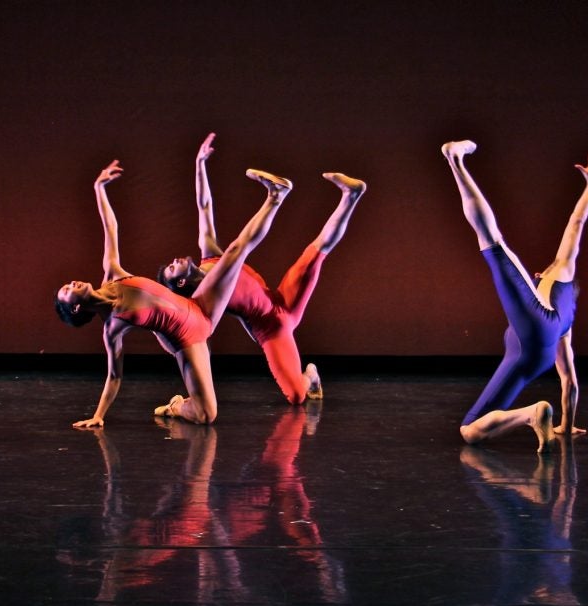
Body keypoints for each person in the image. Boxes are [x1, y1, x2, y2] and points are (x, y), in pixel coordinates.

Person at [55, 153, 290, 427]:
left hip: (200, 307)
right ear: (75, 308)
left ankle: (276, 196)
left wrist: (99, 189)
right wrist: (99, 416)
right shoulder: (112, 327)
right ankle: (177, 407)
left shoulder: (113, 274)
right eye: (67, 290)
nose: (72, 282)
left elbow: (111, 226)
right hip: (186, 340)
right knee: (206, 416)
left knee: (235, 253)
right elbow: (115, 376)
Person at [158, 133, 366, 403]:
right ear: (181, 284)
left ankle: (352, 194)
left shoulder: (209, 256)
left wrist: (199, 165)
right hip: (272, 329)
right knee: (296, 397)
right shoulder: (207, 293)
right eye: (171, 270)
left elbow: (204, 206)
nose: (174, 261)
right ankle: (310, 376)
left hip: (281, 298)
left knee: (318, 251)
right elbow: (199, 343)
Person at [441, 140, 588, 451]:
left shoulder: (558, 271)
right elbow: (570, 382)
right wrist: (566, 425)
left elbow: (576, 223)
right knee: (470, 430)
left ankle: (455, 160)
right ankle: (531, 414)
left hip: (533, 332)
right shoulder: (567, 322)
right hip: (534, 358)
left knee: (492, 240)